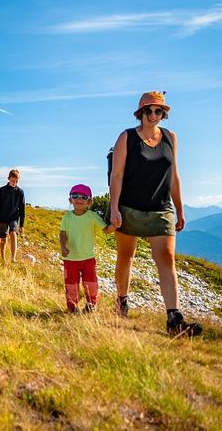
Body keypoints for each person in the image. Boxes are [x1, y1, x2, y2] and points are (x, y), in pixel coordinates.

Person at [108, 91, 202, 336]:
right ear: (140, 113)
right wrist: (114, 207)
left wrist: (180, 209)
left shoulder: (171, 138)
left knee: (167, 258)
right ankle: (121, 300)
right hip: (129, 208)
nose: (153, 115)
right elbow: (116, 176)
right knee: (126, 256)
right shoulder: (126, 138)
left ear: (164, 113)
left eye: (158, 110)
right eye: (148, 110)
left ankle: (174, 319)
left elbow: (174, 176)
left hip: (161, 209)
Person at [60, 184, 116, 313]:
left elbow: (106, 230)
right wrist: (63, 246)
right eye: (75, 196)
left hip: (88, 259)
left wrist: (114, 226)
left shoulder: (92, 216)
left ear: (89, 202)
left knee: (90, 283)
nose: (79, 199)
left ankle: (91, 304)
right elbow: (62, 234)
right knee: (71, 284)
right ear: (70, 200)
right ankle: (72, 307)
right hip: (70, 259)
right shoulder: (66, 217)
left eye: (84, 197)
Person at [0, 169, 26, 262]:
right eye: (12, 180)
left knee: (13, 234)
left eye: (16, 181)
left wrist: (22, 225)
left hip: (14, 218)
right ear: (9, 178)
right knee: (3, 240)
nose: (14, 182)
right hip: (2, 217)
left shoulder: (20, 192)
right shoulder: (2, 190)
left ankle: (13, 258)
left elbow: (22, 209)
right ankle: (2, 258)